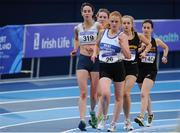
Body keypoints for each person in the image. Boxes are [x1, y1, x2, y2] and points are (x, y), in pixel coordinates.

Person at [91, 11, 131, 132]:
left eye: (116, 21)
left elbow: (128, 56)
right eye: (112, 21)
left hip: (118, 67)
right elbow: (97, 45)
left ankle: (113, 124)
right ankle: (103, 118)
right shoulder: (103, 33)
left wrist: (121, 45)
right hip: (105, 67)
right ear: (109, 21)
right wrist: (94, 53)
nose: (113, 23)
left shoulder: (123, 36)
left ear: (120, 23)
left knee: (119, 98)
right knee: (105, 94)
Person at [70, 2, 101, 131]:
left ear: (92, 13)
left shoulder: (98, 26)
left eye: (89, 11)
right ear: (82, 13)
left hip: (95, 61)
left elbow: (101, 42)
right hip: (82, 60)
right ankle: (82, 120)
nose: (87, 13)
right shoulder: (77, 28)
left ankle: (92, 113)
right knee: (83, 93)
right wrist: (75, 49)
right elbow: (76, 39)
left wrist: (94, 49)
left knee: (94, 95)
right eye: (85, 11)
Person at [134, 19, 169, 127]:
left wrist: (164, 56)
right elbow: (135, 52)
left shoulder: (156, 41)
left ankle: (141, 116)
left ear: (152, 29)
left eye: (148, 28)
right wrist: (141, 49)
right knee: (146, 95)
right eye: (144, 27)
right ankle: (150, 114)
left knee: (143, 94)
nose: (146, 29)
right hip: (140, 70)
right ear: (142, 28)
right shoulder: (139, 41)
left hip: (151, 71)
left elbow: (166, 47)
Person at [121, 15, 152, 131]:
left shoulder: (138, 36)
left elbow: (149, 44)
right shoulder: (119, 36)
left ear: (132, 24)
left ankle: (127, 121)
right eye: (124, 23)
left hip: (133, 69)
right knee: (122, 95)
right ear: (121, 25)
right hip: (120, 67)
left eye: (128, 23)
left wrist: (144, 53)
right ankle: (126, 119)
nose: (126, 25)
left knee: (125, 93)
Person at [95, 8, 110, 130]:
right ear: (97, 17)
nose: (102, 19)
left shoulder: (111, 31)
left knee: (104, 94)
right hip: (95, 64)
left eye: (105, 17)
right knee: (99, 94)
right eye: (100, 17)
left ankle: (101, 118)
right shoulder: (92, 30)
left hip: (109, 65)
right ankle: (101, 117)